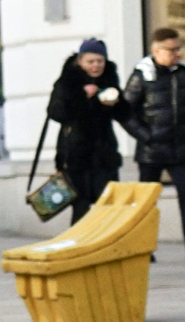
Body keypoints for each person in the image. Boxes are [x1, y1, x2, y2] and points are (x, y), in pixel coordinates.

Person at [123, 26, 185, 262]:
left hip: (180, 147)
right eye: (172, 50)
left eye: (178, 48)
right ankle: (145, 248)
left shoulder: (184, 74)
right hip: (151, 151)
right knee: (146, 203)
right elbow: (124, 112)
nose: (178, 54)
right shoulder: (142, 75)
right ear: (157, 50)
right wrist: (145, 135)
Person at [45, 37, 127, 220]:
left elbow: (125, 114)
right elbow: (55, 112)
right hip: (75, 155)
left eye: (100, 61)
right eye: (90, 61)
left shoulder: (109, 81)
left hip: (104, 155)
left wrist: (115, 104)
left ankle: (105, 246)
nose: (96, 66)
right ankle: (79, 246)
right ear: (80, 61)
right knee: (80, 207)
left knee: (107, 206)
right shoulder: (67, 82)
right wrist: (82, 97)